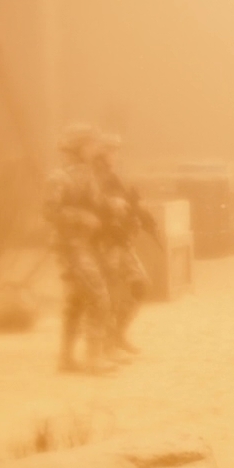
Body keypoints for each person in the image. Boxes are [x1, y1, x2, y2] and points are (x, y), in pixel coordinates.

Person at [44, 125, 115, 373]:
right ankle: (93, 358)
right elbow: (50, 212)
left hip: (84, 244)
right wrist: (81, 217)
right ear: (78, 148)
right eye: (91, 144)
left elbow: (96, 202)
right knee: (98, 295)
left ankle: (66, 359)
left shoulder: (87, 174)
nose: (96, 149)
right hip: (69, 245)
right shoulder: (59, 178)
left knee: (75, 300)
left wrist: (112, 204)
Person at [89, 134, 154, 357]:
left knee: (140, 285)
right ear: (100, 153)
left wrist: (139, 212)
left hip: (122, 242)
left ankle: (118, 335)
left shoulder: (116, 177)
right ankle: (106, 345)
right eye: (110, 151)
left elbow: (130, 202)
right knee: (108, 294)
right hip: (103, 243)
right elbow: (92, 207)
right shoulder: (92, 178)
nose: (114, 155)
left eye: (115, 151)